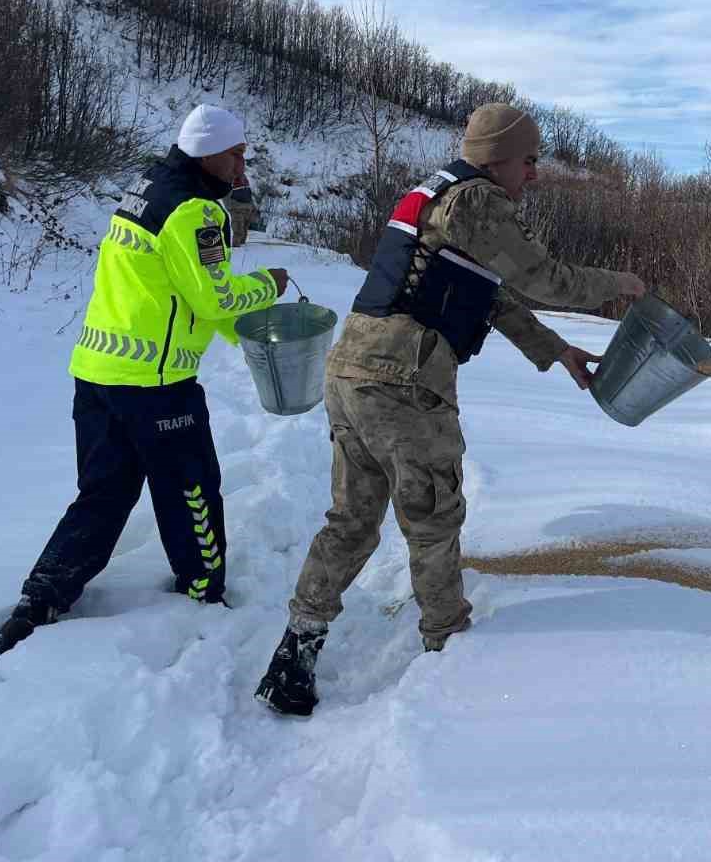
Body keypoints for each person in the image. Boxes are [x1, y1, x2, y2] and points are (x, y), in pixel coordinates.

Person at [254, 102, 646, 716]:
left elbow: (490, 298)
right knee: (434, 516)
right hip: (405, 380)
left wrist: (556, 350)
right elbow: (545, 279)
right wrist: (617, 284)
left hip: (354, 368)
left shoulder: (437, 197)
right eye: (530, 161)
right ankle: (450, 655)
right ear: (497, 159)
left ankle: (295, 652)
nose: (535, 175)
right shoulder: (478, 201)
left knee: (353, 520)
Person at [0, 104, 286, 657]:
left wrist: (238, 336)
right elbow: (214, 294)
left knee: (102, 493)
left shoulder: (145, 187)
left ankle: (40, 599)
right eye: (237, 155)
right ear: (208, 154)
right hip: (157, 384)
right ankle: (203, 589)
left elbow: (176, 287)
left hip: (97, 373)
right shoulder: (194, 213)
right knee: (190, 487)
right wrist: (268, 285)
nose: (243, 167)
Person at [223, 182, 261, 246]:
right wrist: (231, 207)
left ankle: (241, 243)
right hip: (237, 209)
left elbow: (249, 196)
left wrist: (253, 208)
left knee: (244, 228)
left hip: (247, 208)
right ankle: (236, 244)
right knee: (238, 228)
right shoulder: (229, 181)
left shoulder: (244, 181)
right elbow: (226, 198)